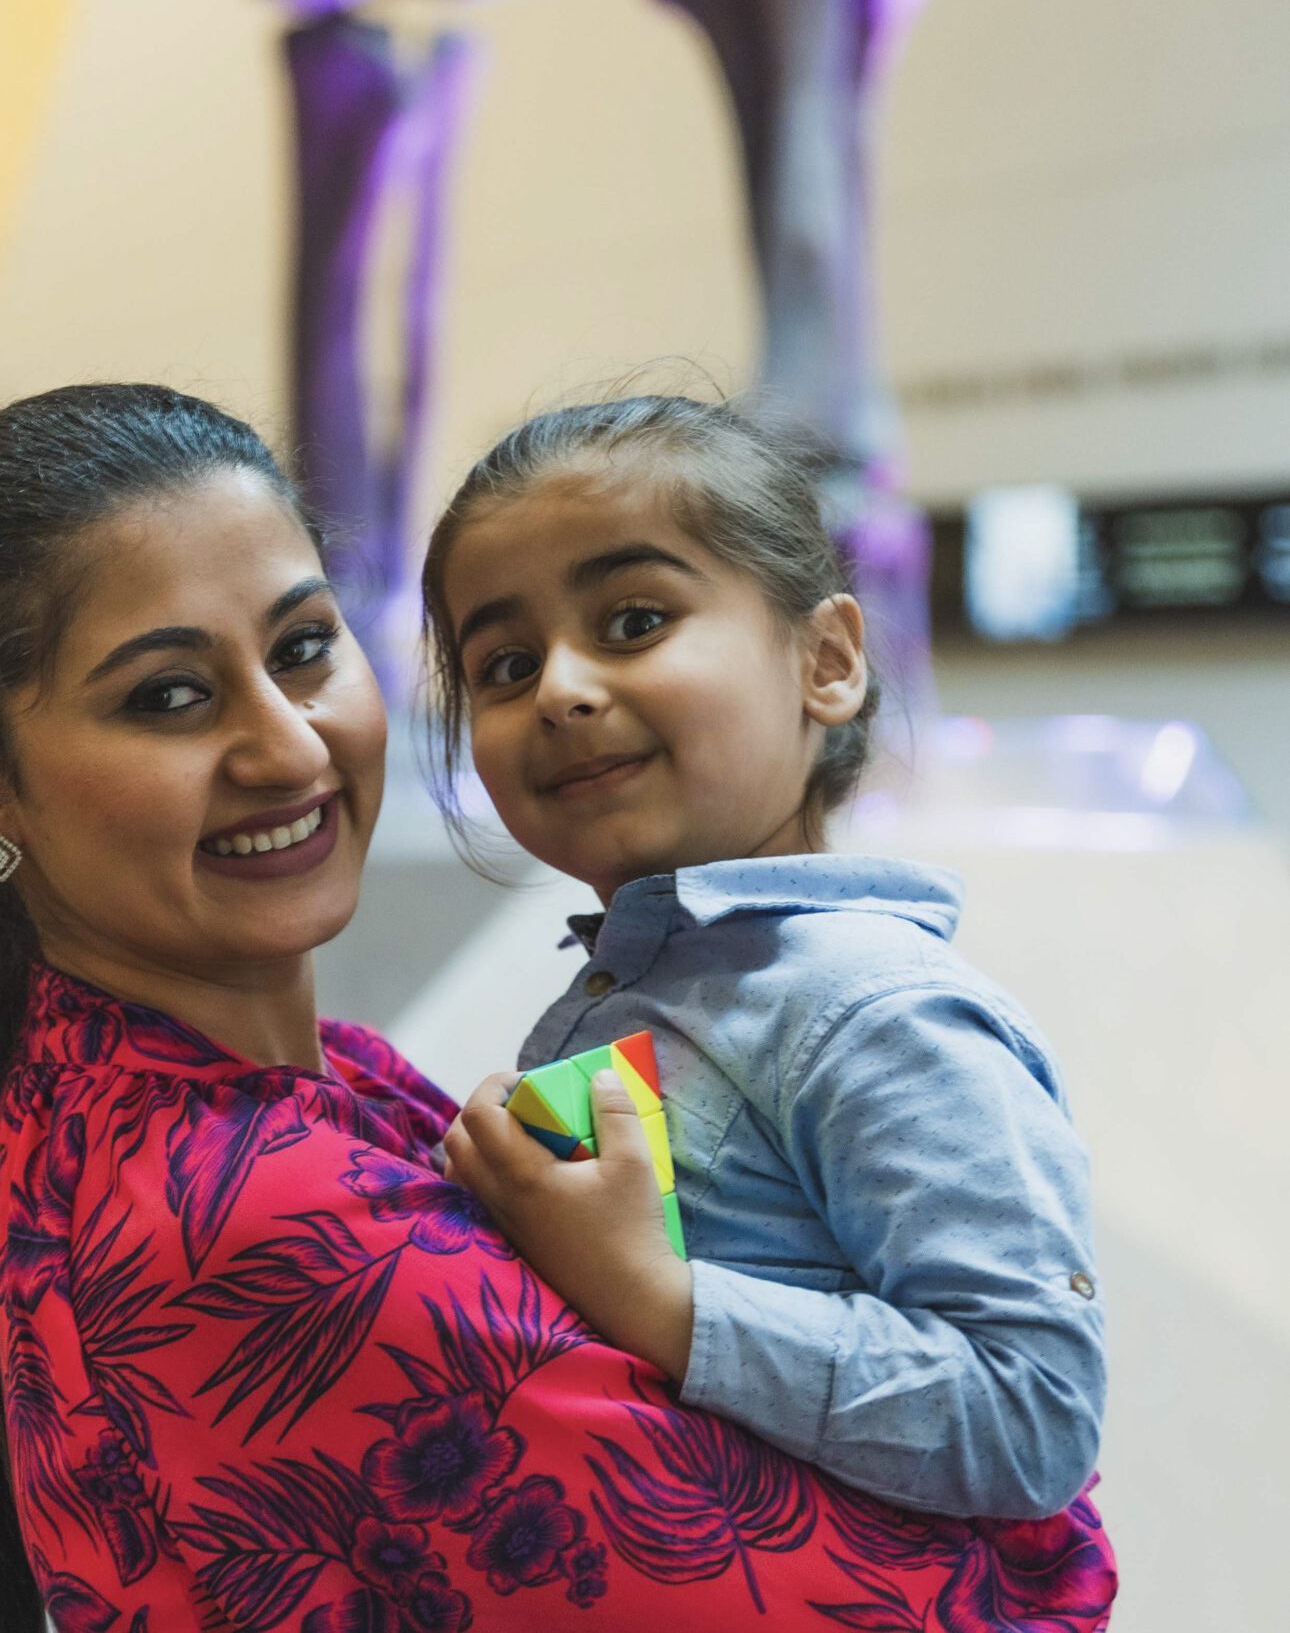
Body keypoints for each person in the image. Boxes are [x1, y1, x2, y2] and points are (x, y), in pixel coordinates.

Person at [0, 382, 1118, 1631]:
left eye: (302, 648)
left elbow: (1028, 1403)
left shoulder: (300, 1087)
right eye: (168, 695)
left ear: (827, 657)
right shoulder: (261, 1213)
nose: (288, 748)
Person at [424, 394, 1111, 1528]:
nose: (558, 688)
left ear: (825, 660)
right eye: (500, 663)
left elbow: (1028, 1411)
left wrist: (659, 1297)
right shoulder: (642, 981)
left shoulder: (875, 1010)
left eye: (633, 619)